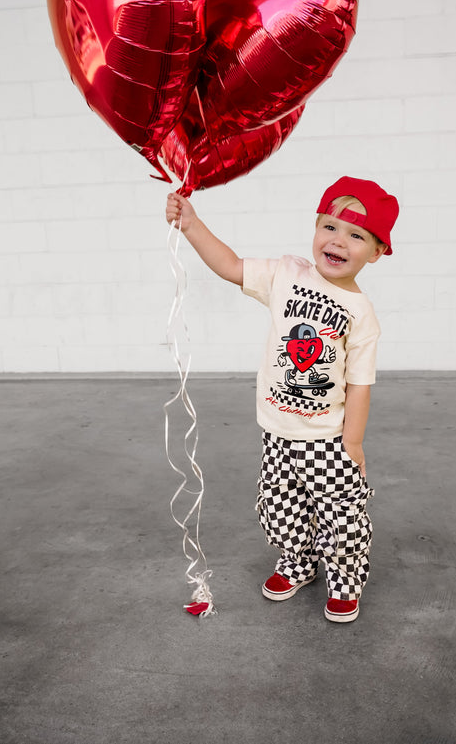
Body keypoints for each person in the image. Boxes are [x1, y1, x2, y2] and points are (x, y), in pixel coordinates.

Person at [165, 175, 399, 622]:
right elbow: (231, 265)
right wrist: (191, 224)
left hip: (328, 438)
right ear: (315, 227)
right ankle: (298, 561)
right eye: (329, 226)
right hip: (277, 432)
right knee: (279, 506)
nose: (338, 241)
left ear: (377, 251)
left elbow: (360, 383)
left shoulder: (360, 314)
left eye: (356, 235)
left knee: (341, 515)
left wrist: (353, 442)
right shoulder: (286, 275)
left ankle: (344, 579)